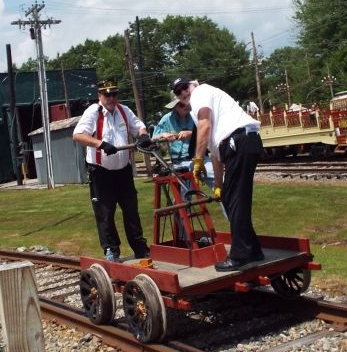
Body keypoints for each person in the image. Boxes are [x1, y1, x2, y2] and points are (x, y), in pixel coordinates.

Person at [172, 76, 263, 272]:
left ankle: (240, 256)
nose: (183, 93)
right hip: (242, 142)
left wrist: (197, 160)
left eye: (184, 87)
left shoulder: (200, 93)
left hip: (239, 142)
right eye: (178, 92)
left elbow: (205, 126)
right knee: (232, 197)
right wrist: (219, 185)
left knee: (236, 199)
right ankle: (252, 249)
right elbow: (216, 152)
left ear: (193, 84)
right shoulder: (211, 104)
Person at [72, 80, 152, 262]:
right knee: (105, 213)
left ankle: (140, 248)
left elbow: (139, 126)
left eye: (114, 94)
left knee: (131, 210)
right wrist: (100, 144)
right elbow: (77, 135)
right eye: (107, 95)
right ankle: (111, 250)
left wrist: (143, 135)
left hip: (123, 171)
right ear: (100, 96)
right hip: (101, 172)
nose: (111, 98)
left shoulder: (124, 110)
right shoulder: (93, 112)